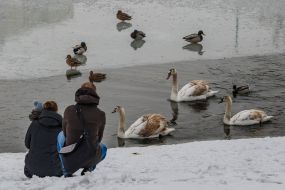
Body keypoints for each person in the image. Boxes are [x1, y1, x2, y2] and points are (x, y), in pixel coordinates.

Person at [57, 82, 107, 177]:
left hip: (71, 155)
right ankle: (89, 167)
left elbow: (65, 132)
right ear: (95, 93)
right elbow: (99, 139)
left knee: (60, 136)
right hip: (91, 155)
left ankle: (66, 169)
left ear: (80, 92)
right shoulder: (101, 114)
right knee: (103, 147)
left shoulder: (69, 110)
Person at [24, 101, 63, 178]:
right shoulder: (61, 126)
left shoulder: (34, 123)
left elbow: (27, 144)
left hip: (31, 170)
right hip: (54, 171)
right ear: (56, 110)